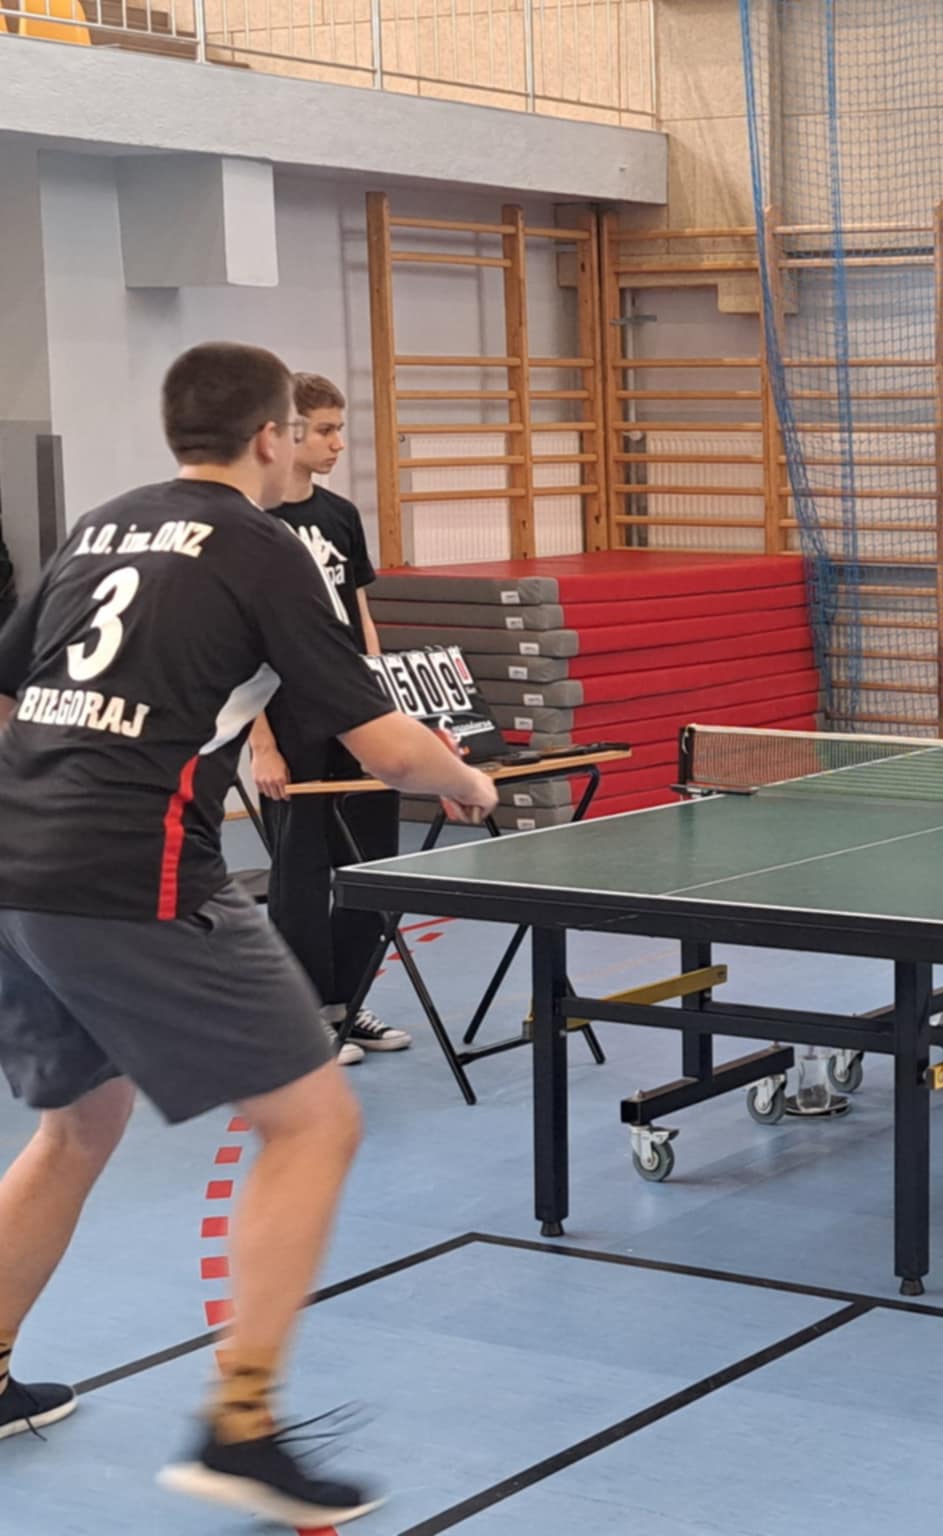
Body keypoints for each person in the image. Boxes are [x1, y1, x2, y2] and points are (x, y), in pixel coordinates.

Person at [0, 341, 497, 1525]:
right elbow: (384, 742)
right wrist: (467, 782)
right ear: (272, 436)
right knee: (315, 1120)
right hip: (137, 873)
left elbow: (9, 690)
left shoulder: (103, 524)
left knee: (77, 1126)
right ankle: (244, 1426)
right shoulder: (264, 545)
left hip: (20, 867)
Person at [247, 373, 410, 1066]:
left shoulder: (341, 515)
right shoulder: (254, 524)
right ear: (285, 434)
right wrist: (262, 744)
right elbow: (241, 646)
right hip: (289, 716)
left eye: (339, 429)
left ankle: (347, 1003)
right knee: (302, 871)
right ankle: (301, 1015)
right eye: (324, 430)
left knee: (370, 860)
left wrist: (382, 701)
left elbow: (360, 615)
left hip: (354, 711)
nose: (338, 443)